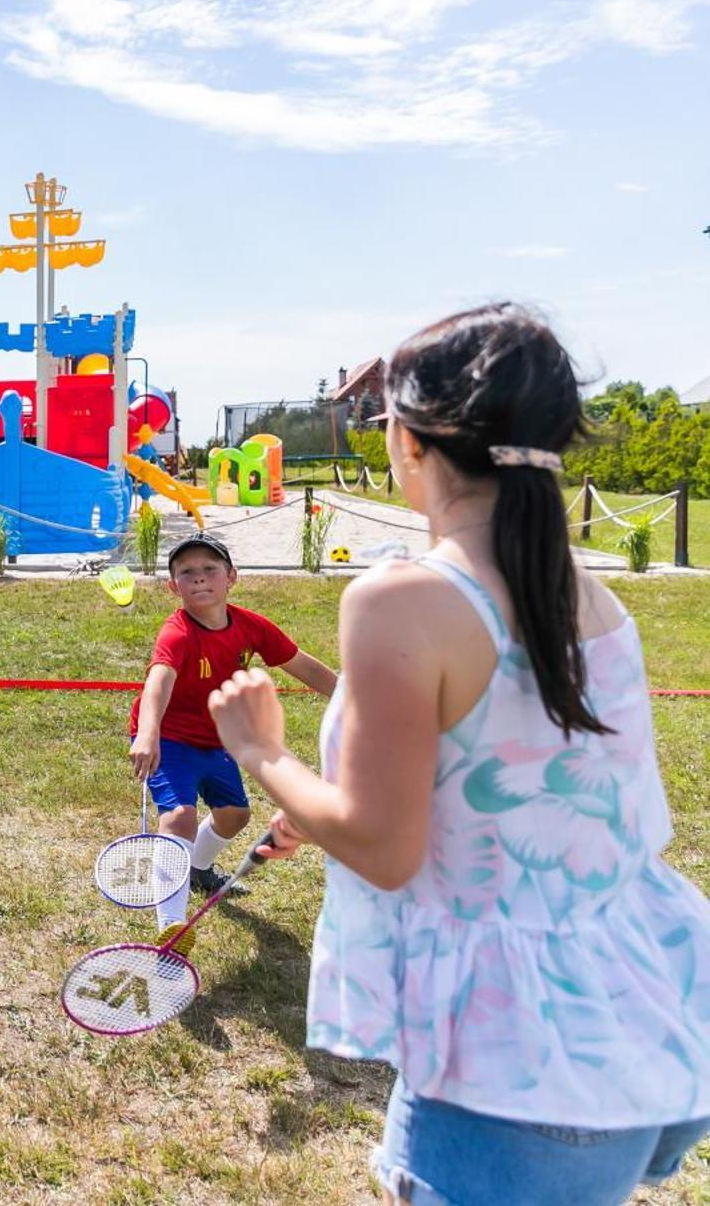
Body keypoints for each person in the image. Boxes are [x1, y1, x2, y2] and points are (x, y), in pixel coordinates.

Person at [207, 304, 710, 1205]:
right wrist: (322, 812)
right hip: (644, 1019)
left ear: (407, 439)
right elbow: (512, 788)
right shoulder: (588, 595)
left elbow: (386, 847)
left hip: (511, 1062)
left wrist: (263, 750)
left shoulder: (403, 599)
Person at [127, 531, 336, 936]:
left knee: (235, 816)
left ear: (231, 577)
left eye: (210, 569)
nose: (200, 578)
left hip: (217, 737)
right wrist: (148, 733)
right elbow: (159, 679)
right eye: (188, 572)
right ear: (174, 586)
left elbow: (302, 665)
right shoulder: (178, 632)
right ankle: (172, 927)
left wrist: (348, 695)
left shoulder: (251, 627)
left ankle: (198, 869)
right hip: (168, 739)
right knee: (179, 816)